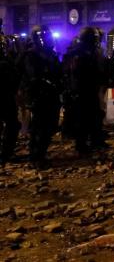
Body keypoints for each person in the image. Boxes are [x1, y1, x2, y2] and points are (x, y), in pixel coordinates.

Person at [17, 25, 62, 169]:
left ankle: (41, 153)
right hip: (38, 95)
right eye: (45, 36)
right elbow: (33, 76)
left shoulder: (51, 54)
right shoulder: (31, 55)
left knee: (50, 126)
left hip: (51, 95)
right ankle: (36, 157)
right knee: (39, 127)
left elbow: (57, 72)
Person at [62, 27, 108, 156]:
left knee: (95, 117)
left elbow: (99, 70)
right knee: (81, 120)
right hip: (81, 91)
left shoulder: (94, 52)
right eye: (94, 39)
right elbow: (73, 74)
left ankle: (95, 140)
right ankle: (81, 145)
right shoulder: (77, 53)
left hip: (91, 89)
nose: (96, 41)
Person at [0, 35, 20, 163]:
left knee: (12, 126)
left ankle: (6, 153)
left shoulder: (7, 61)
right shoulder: (6, 62)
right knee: (11, 125)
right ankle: (5, 154)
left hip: (7, 96)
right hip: (5, 96)